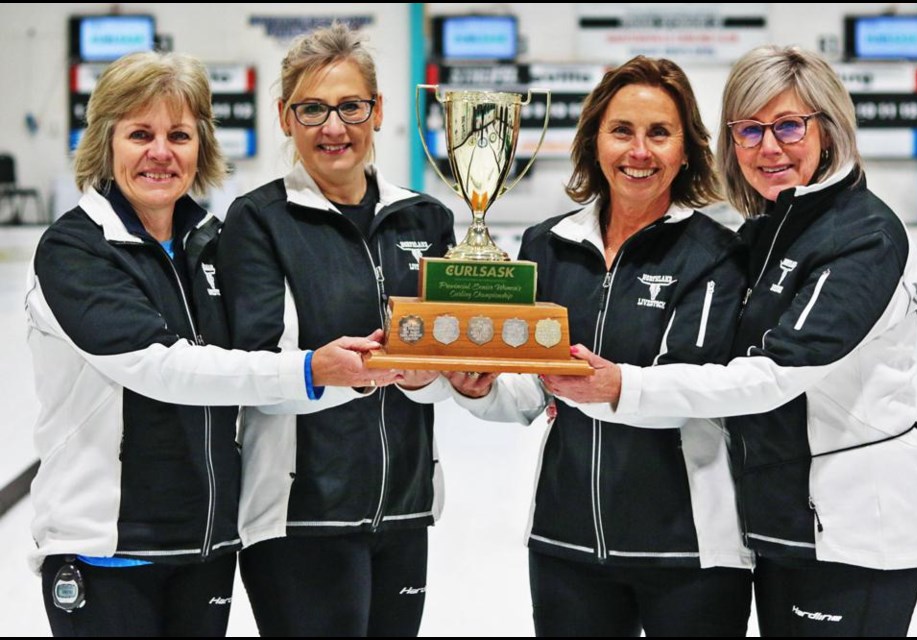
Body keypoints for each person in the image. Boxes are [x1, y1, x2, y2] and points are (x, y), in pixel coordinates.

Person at [550, 45, 917, 636]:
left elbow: (775, 374)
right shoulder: (771, 229)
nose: (770, 147)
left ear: (828, 131)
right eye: (750, 129)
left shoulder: (865, 236)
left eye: (789, 126)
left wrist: (623, 385)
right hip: (782, 526)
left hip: (856, 534)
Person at [25, 51, 393, 637]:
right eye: (139, 134)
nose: (161, 153)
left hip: (209, 547)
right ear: (105, 143)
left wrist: (373, 375)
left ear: (201, 147)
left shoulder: (211, 244)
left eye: (179, 134)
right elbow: (160, 369)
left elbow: (254, 369)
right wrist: (307, 371)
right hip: (109, 550)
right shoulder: (75, 250)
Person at [445, 55, 752, 636]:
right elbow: (529, 392)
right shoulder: (548, 245)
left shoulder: (718, 252)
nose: (639, 152)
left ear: (686, 150)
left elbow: (703, 387)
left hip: (687, 553)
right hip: (567, 544)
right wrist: (477, 388)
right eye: (622, 131)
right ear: (594, 142)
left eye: (660, 133)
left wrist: (617, 386)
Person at [216, 23, 455, 636]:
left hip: (404, 507)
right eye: (313, 109)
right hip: (302, 515)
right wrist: (336, 372)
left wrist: (448, 375)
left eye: (350, 106)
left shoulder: (427, 218)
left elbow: (446, 360)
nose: (333, 126)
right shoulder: (259, 221)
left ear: (377, 112)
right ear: (284, 117)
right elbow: (252, 363)